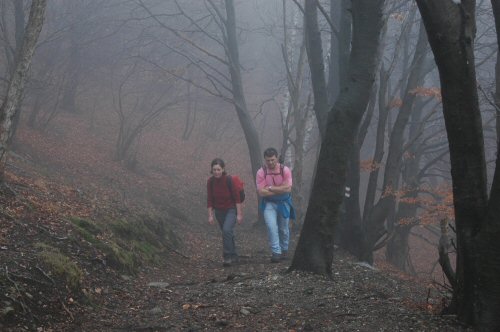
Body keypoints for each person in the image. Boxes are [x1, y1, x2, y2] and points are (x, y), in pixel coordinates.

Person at [256, 148, 295, 263]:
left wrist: (270, 188)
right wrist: (280, 189)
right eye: (268, 160)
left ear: (277, 158)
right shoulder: (261, 172)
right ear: (265, 160)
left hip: (284, 203)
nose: (270, 162)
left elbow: (288, 189)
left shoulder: (285, 170)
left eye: (272, 160)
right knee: (271, 226)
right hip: (269, 203)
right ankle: (276, 252)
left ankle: (284, 249)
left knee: (284, 228)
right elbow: (261, 192)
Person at [207, 158, 243, 267]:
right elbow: (209, 199)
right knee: (228, 233)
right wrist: (210, 215)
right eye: (214, 170)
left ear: (223, 169)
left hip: (231, 209)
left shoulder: (229, 180)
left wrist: (239, 214)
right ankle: (234, 255)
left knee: (226, 230)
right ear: (211, 170)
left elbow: (237, 198)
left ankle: (227, 256)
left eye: (218, 169)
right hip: (219, 211)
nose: (216, 172)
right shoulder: (210, 181)